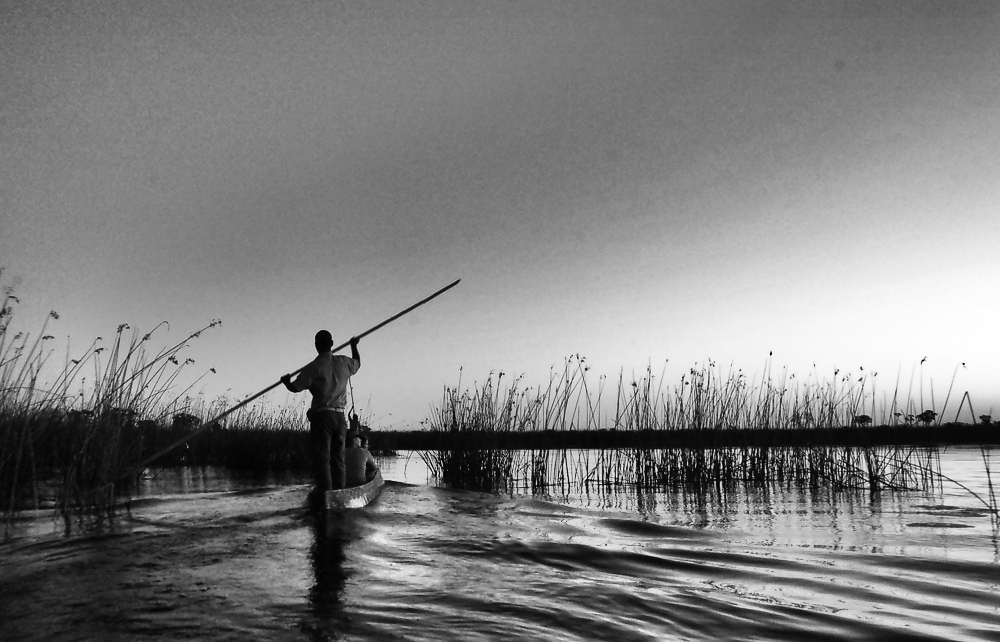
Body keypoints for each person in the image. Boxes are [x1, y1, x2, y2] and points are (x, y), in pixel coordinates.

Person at [281, 331, 360, 495]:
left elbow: (296, 388)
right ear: (332, 343)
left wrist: (286, 382)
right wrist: (354, 346)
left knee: (323, 458)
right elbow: (357, 363)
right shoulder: (344, 362)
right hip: (340, 418)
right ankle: (339, 493)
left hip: (322, 417)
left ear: (316, 345)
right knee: (338, 458)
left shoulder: (313, 367)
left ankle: (326, 494)